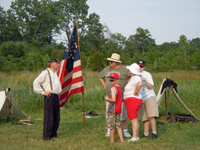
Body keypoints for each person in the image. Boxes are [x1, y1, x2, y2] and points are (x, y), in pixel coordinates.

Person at [98, 53, 131, 138]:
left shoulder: (125, 69)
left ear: (117, 62)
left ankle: (125, 131)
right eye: (110, 61)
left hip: (121, 97)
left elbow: (132, 76)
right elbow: (100, 76)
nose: (110, 63)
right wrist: (104, 85)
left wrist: (127, 83)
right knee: (109, 114)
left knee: (122, 115)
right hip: (109, 97)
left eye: (112, 62)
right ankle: (109, 130)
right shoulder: (106, 69)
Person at [33, 58, 62, 140]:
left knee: (57, 117)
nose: (58, 65)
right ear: (51, 64)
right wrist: (42, 92)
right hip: (49, 96)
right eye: (56, 63)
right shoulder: (45, 73)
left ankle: (53, 134)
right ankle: (47, 136)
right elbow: (36, 82)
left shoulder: (55, 73)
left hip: (56, 96)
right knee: (49, 117)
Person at [137, 59, 159, 140]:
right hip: (141, 98)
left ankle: (154, 133)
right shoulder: (135, 74)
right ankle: (146, 134)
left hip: (150, 96)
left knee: (151, 116)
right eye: (139, 66)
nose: (140, 67)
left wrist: (144, 80)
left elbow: (150, 87)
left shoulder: (147, 74)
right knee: (144, 118)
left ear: (144, 67)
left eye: (141, 66)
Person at [123, 63, 143, 142]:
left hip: (133, 100)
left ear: (132, 71)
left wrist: (135, 92)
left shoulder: (136, 78)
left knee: (133, 118)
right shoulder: (134, 77)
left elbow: (140, 84)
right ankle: (136, 136)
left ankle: (134, 137)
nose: (128, 71)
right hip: (132, 100)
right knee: (134, 118)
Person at [105, 73, 124, 143]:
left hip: (112, 109)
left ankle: (112, 140)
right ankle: (122, 140)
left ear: (116, 80)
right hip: (118, 109)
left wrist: (107, 98)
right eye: (110, 80)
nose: (110, 81)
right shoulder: (119, 88)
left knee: (111, 125)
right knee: (118, 125)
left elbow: (113, 99)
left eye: (112, 80)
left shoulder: (113, 88)